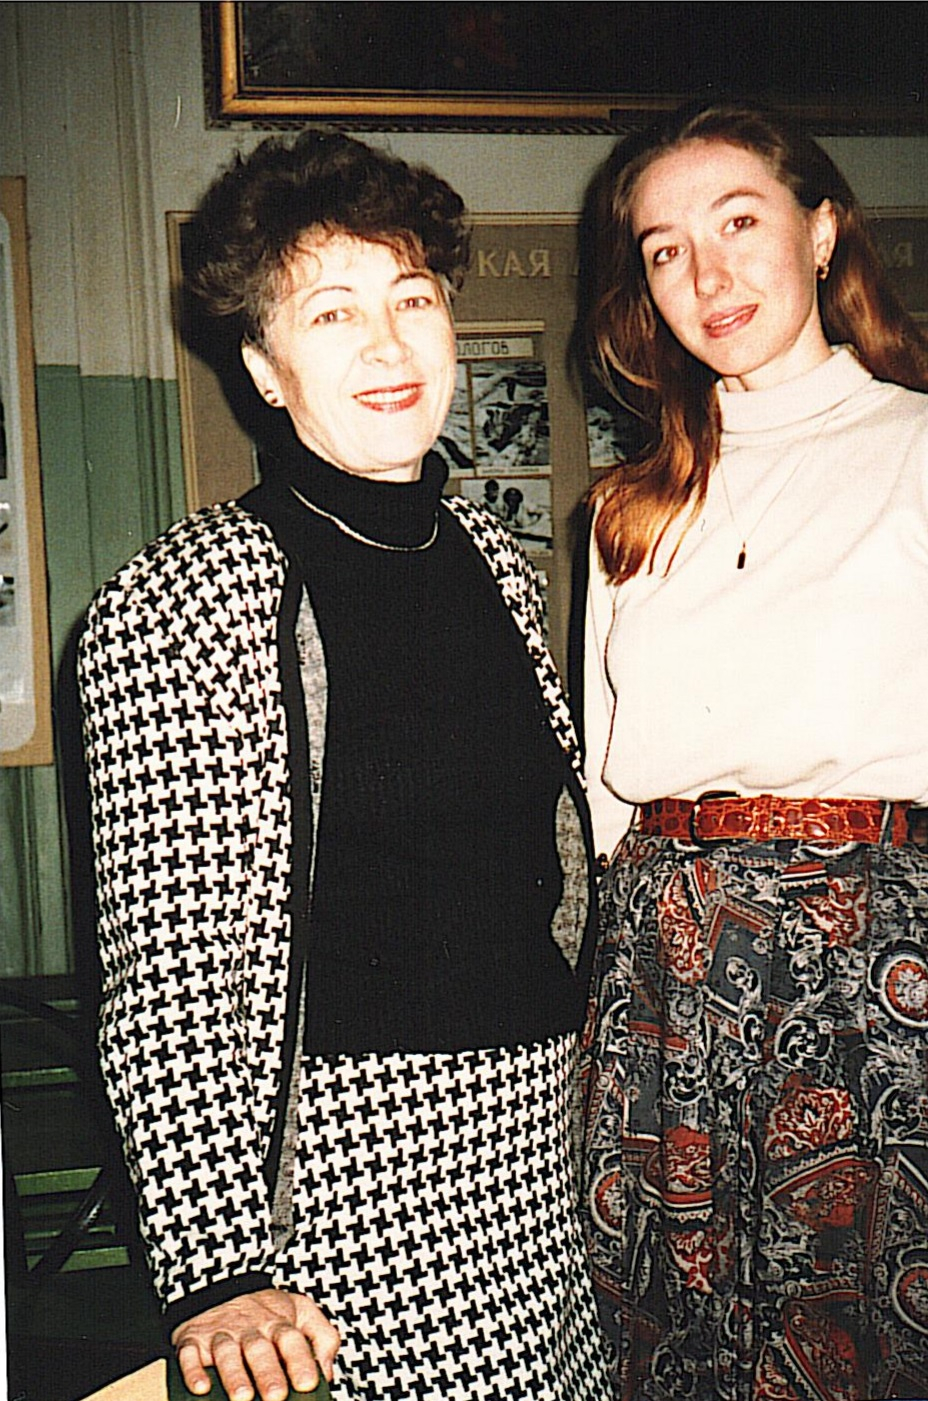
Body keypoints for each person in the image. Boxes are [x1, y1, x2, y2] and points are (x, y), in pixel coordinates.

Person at [577, 101, 928, 1401]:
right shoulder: (625, 506)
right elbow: (600, 796)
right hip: (658, 988)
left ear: (821, 232)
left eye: (736, 223)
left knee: (872, 1351)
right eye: (662, 250)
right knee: (669, 1351)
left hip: (865, 981)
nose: (704, 275)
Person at [78, 131, 609, 1401]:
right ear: (264, 370)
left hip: (546, 1134)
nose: (387, 344)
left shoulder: (487, 557)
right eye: (332, 313)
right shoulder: (186, 597)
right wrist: (218, 1269)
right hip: (346, 1170)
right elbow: (171, 967)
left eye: (412, 300)